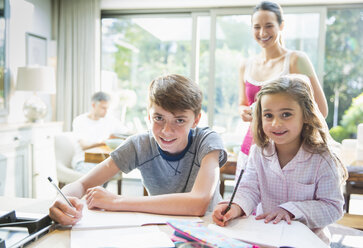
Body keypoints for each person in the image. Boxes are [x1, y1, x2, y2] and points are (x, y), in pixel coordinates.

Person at [49, 74, 227, 225]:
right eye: (159, 118)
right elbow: (82, 184)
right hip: (161, 227)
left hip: (208, 227)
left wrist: (117, 201)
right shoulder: (139, 144)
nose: (166, 131)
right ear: (149, 116)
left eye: (179, 120)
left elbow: (198, 204)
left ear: (196, 120)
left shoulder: (208, 140)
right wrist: (61, 200)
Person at [212, 75, 347, 244]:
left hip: (308, 243)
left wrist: (290, 210)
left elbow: (333, 207)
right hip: (265, 239)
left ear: (305, 115)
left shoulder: (323, 158)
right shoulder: (257, 153)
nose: (276, 123)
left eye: (286, 114)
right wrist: (235, 207)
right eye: (268, 115)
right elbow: (249, 190)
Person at [236, 1, 328, 177]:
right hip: (251, 147)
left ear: (281, 25)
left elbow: (321, 110)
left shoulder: (296, 60)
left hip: (287, 153)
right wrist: (244, 112)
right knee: (246, 200)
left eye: (269, 25)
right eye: (257, 27)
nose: (262, 33)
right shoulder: (245, 65)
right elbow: (241, 103)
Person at [71, 91, 127, 174]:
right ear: (93, 105)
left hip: (102, 161)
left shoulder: (110, 120)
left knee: (109, 170)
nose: (106, 111)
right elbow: (84, 145)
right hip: (83, 160)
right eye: (103, 108)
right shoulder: (80, 121)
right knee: (95, 176)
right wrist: (103, 142)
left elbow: (127, 132)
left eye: (107, 108)